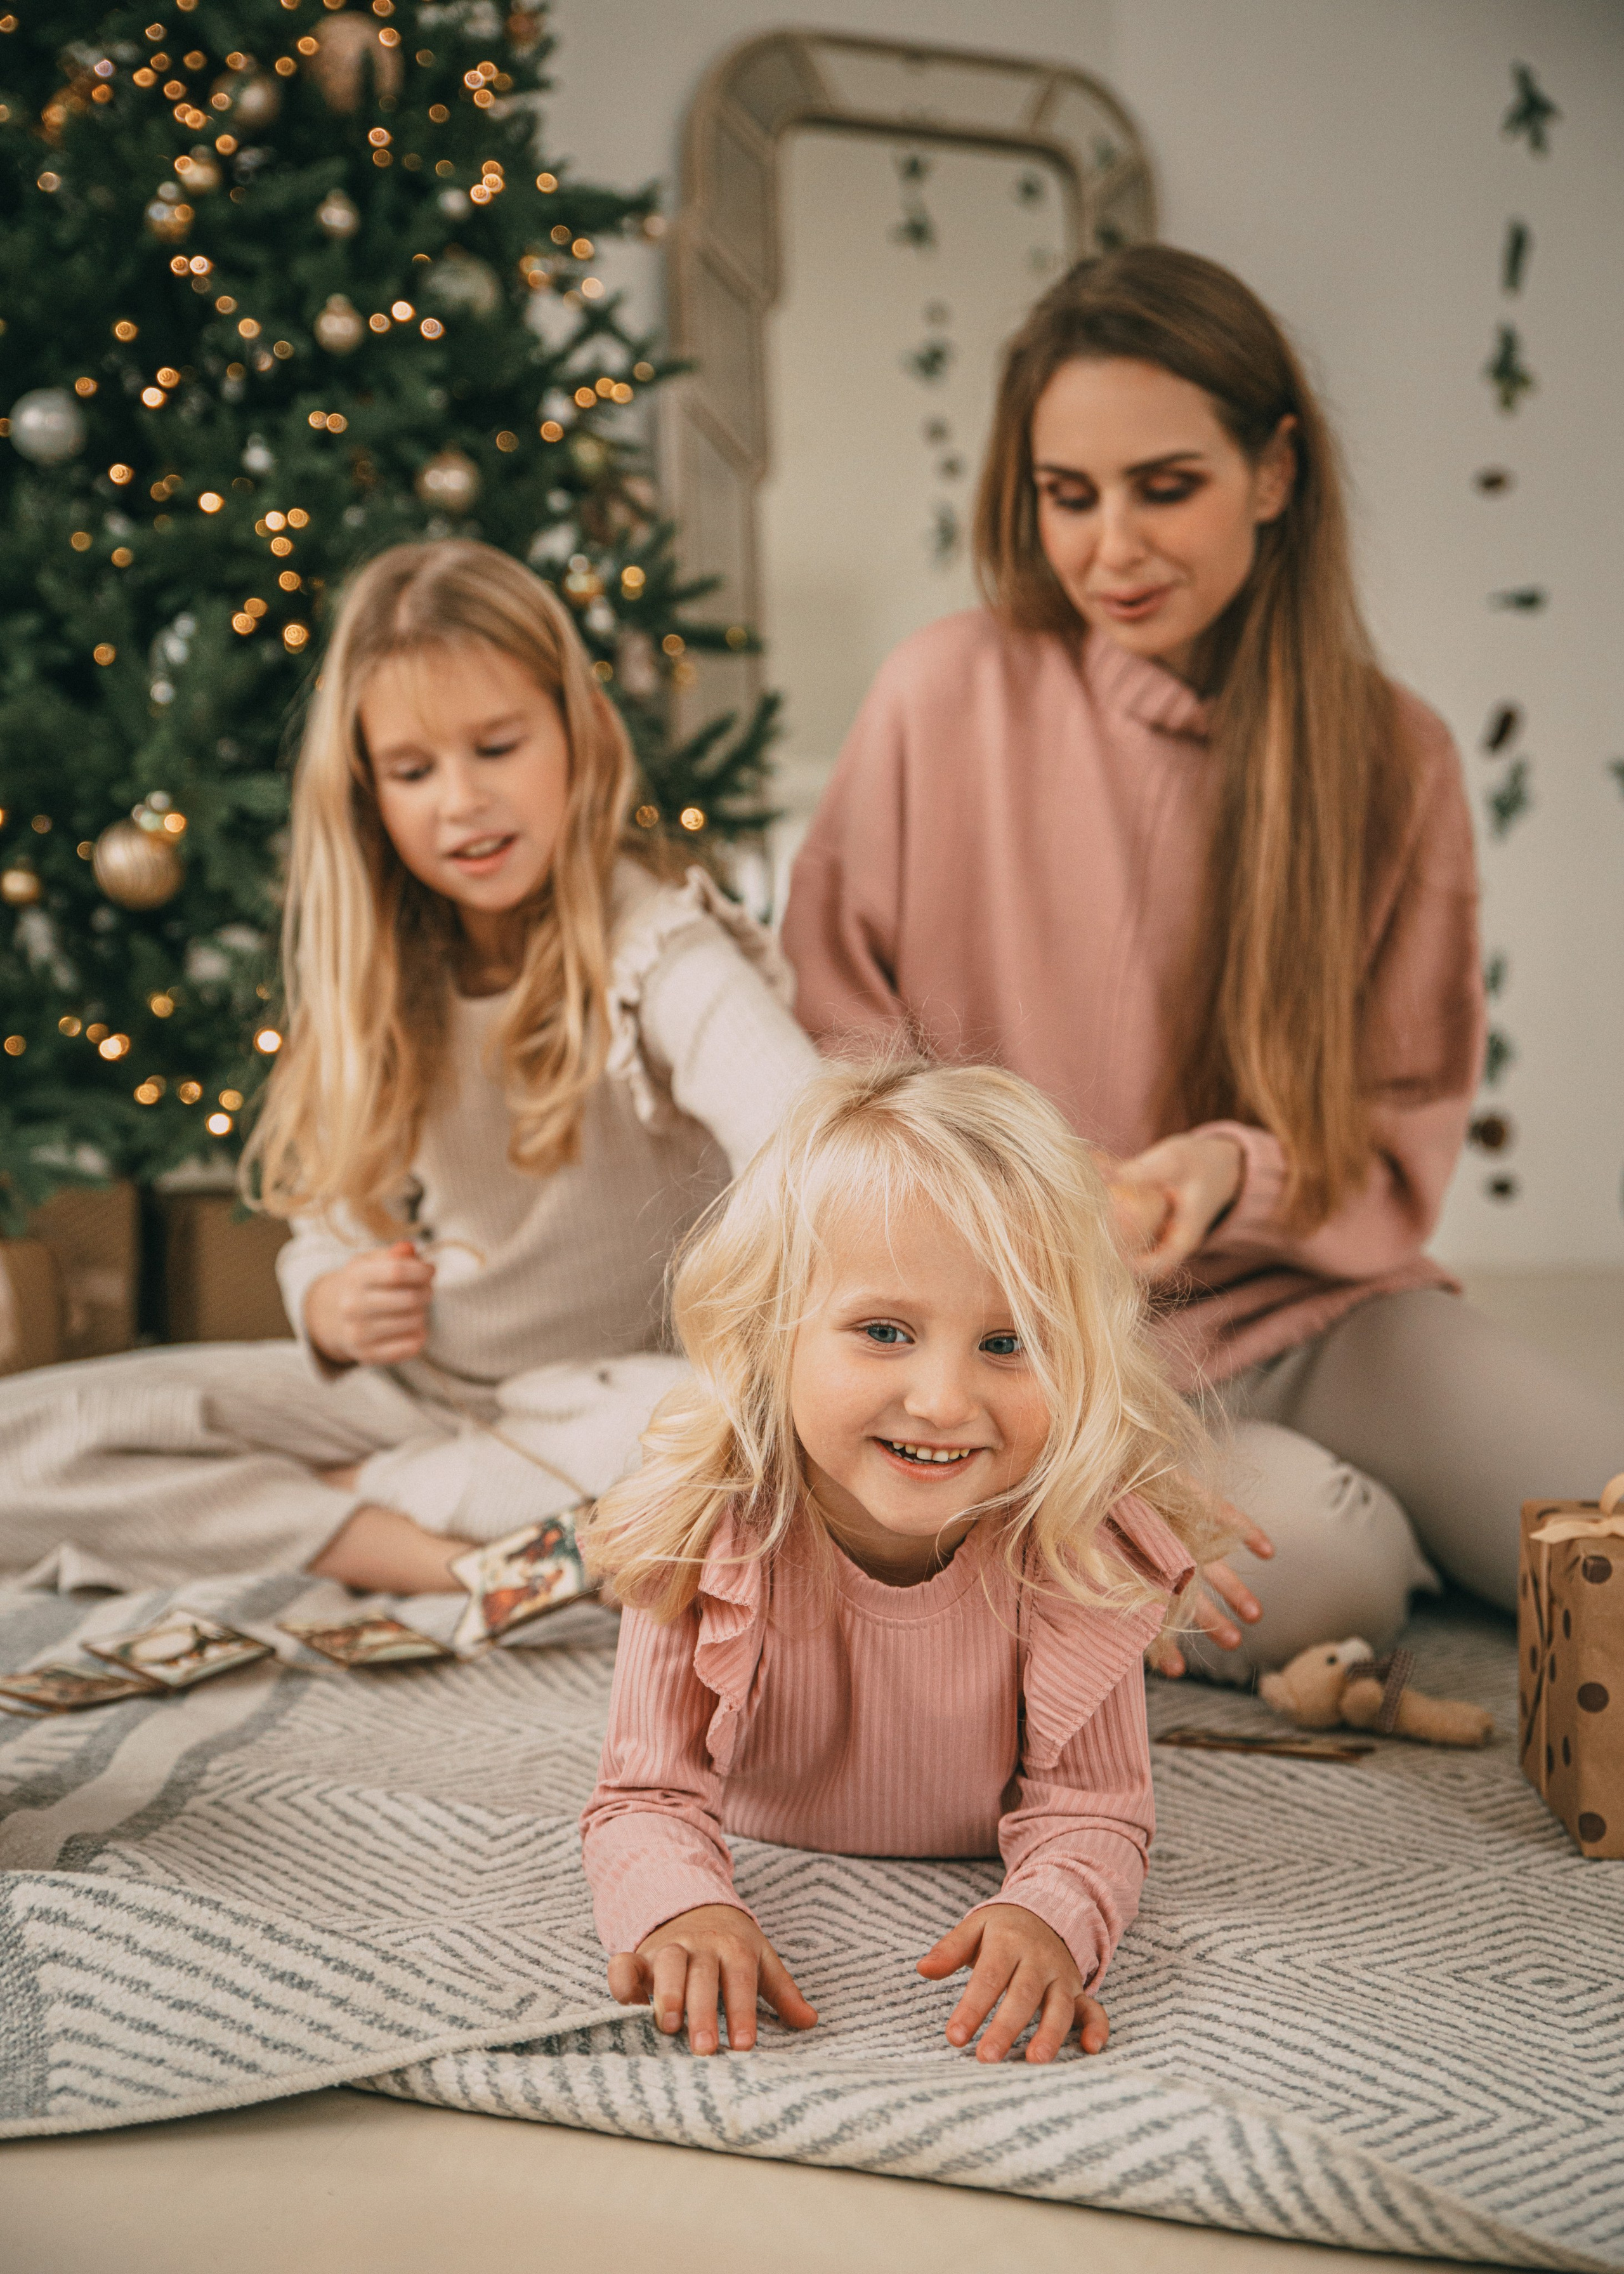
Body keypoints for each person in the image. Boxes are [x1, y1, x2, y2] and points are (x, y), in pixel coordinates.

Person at [782, 245, 1624, 1681]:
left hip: (1309, 1303)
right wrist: (1011, 1214)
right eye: (1068, 496)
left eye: (1162, 486)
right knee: (1322, 1579)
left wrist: (1225, 1172)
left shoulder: (1393, 756)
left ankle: (1378, 1492)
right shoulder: (941, 693)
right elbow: (827, 1052)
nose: (1111, 546)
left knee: (1596, 1503)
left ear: (1274, 471)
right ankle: (1345, 1515)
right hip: (1027, 1343)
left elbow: (1394, 1116)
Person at [0, 541, 818, 1593]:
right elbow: (332, 1220)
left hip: (610, 1397)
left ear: (577, 736)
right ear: (368, 792)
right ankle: (423, 1542)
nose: (460, 802)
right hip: (412, 1390)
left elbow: (814, 1144)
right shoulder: (379, 966)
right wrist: (330, 1303)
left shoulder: (659, 952)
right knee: (36, 1439)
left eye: (497, 746)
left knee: (733, 1443)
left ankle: (364, 1505)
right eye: (414, 770)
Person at [580, 1058, 1217, 2062]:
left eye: (1009, 1344)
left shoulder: (1070, 1544)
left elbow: (1097, 1810)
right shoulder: (705, 1525)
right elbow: (645, 1795)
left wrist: (1051, 1914)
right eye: (885, 1332)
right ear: (769, 1331)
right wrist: (680, 1907)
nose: (943, 1401)